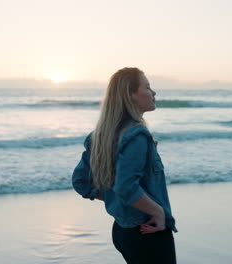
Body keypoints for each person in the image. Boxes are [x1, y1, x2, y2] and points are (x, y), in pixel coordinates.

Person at [72, 67, 177, 264]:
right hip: (148, 232)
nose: (154, 93)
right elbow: (126, 186)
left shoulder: (101, 135)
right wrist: (158, 212)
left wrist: (115, 200)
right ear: (130, 96)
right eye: (147, 87)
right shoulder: (137, 136)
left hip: (122, 232)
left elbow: (80, 182)